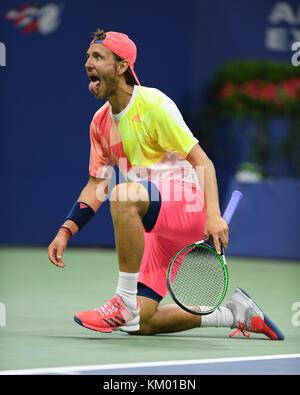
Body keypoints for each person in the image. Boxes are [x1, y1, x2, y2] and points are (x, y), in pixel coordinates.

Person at [48, 29, 284, 340]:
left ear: (122, 67)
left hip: (188, 206)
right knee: (141, 324)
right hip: (157, 227)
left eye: (98, 57)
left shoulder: (154, 105)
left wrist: (213, 216)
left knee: (124, 195)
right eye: (88, 57)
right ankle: (235, 313)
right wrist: (66, 230)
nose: (88, 64)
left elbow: (203, 162)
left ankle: (123, 301)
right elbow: (96, 184)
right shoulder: (100, 122)